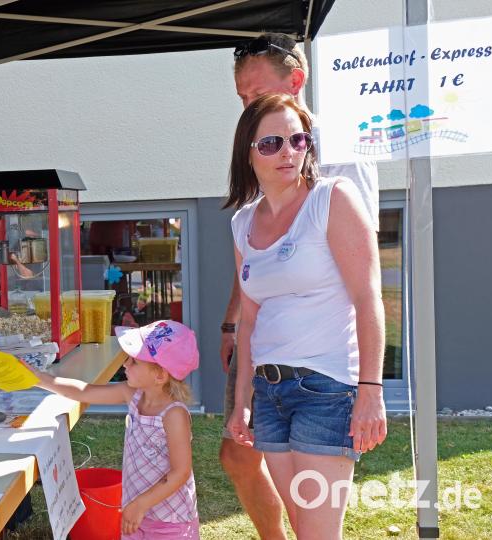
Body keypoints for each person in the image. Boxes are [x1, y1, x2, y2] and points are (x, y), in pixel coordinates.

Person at [219, 33, 381, 540]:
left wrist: (370, 390)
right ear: (250, 151)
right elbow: (254, 289)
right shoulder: (245, 218)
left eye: (257, 90)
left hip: (324, 381)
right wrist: (240, 378)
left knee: (318, 529)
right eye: (242, 97)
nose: (287, 151)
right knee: (300, 520)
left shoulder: (337, 184)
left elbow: (365, 289)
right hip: (270, 383)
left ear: (296, 81)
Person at [31, 320, 200, 539]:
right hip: (136, 512)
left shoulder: (174, 415)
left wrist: (141, 504)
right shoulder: (132, 395)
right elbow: (83, 392)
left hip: (170, 522)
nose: (125, 365)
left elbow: (181, 472)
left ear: (160, 376)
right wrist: (37, 378)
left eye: (134, 362)